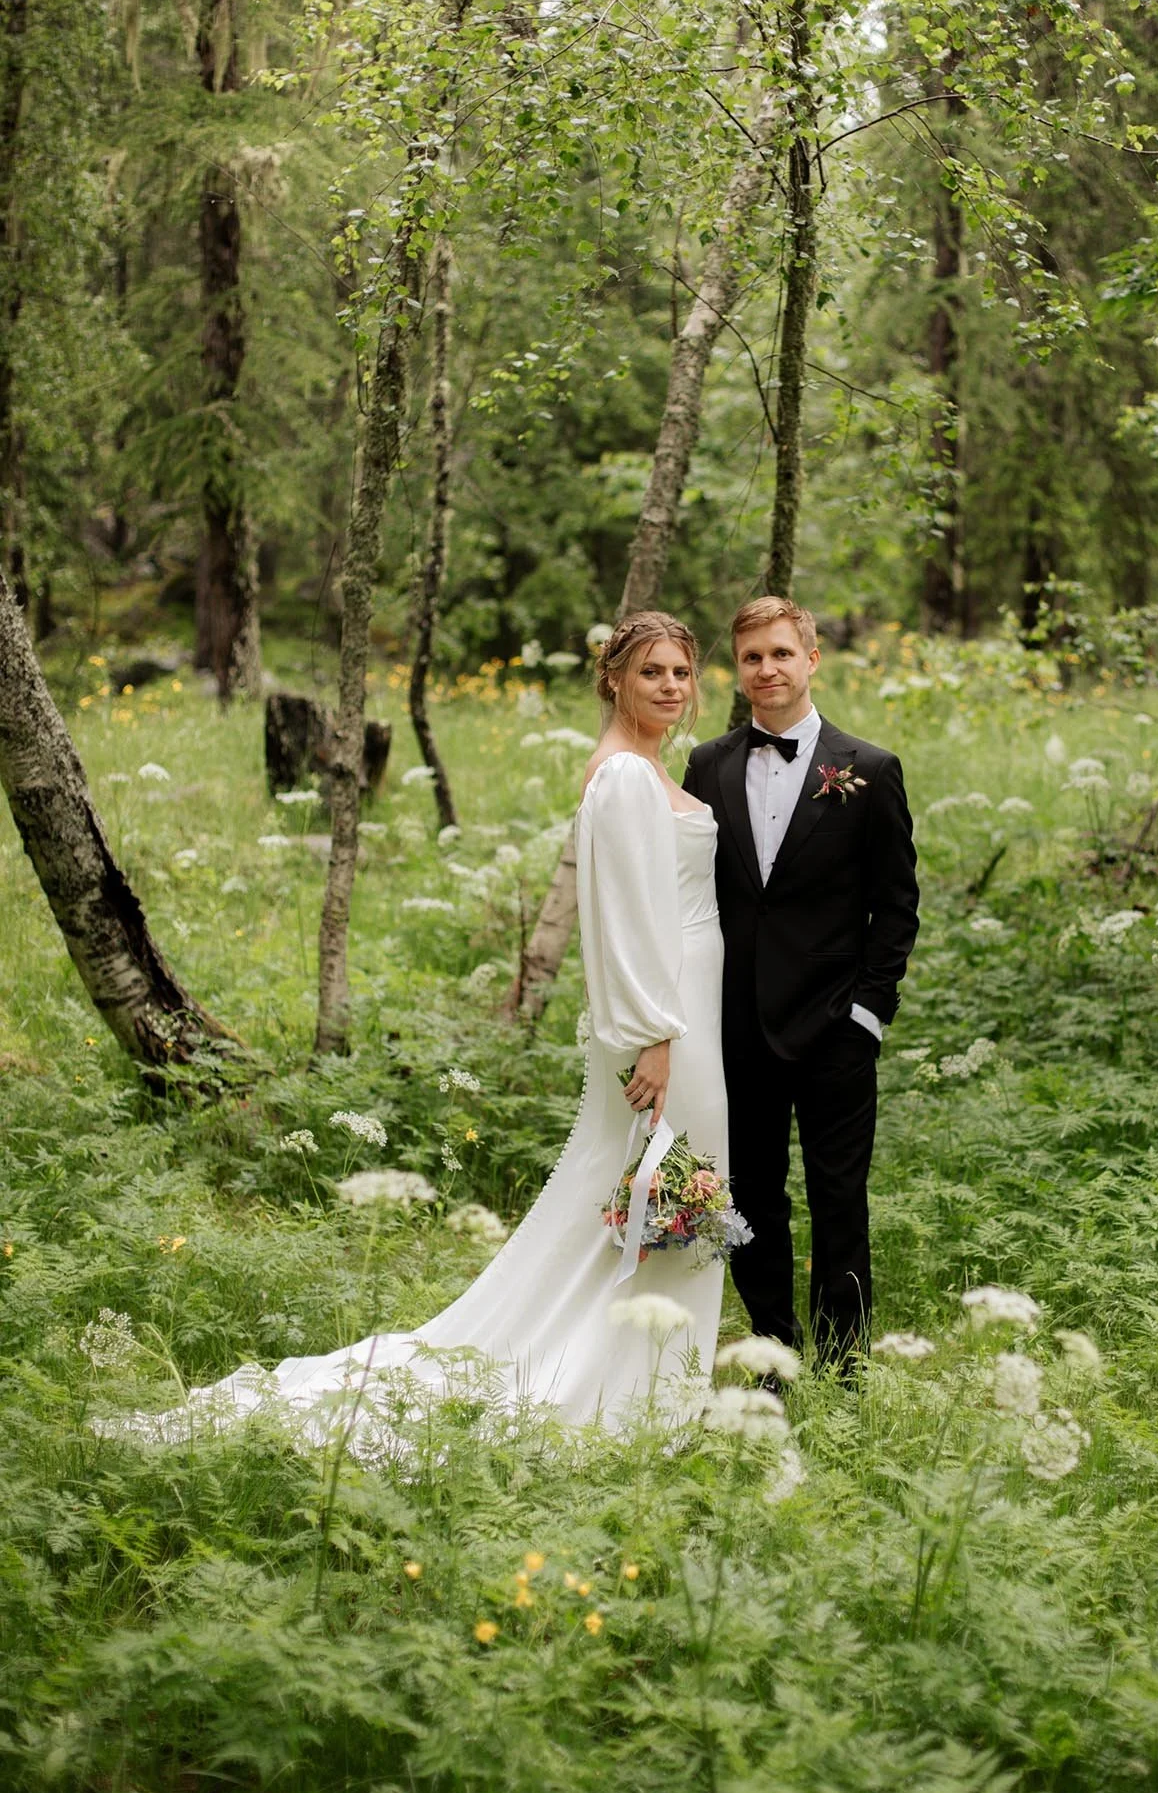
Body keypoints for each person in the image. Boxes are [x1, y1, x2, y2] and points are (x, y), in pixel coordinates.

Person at [125, 612, 729, 1444]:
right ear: (614, 681)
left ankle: (650, 1372)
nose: (670, 686)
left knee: (649, 1194)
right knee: (653, 1189)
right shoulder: (623, 777)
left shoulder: (647, 768)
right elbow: (628, 921)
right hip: (666, 1024)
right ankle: (616, 1386)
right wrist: (657, 1038)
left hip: (689, 1013)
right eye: (652, 671)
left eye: (682, 673)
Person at [683, 596, 919, 1365]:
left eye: (781, 653)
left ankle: (844, 1367)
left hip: (834, 1032)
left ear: (811, 659)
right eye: (752, 657)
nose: (767, 669)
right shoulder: (708, 766)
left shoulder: (869, 770)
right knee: (753, 1199)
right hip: (739, 1028)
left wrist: (867, 1015)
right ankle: (771, 1355)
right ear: (738, 668)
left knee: (839, 1202)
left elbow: (897, 906)